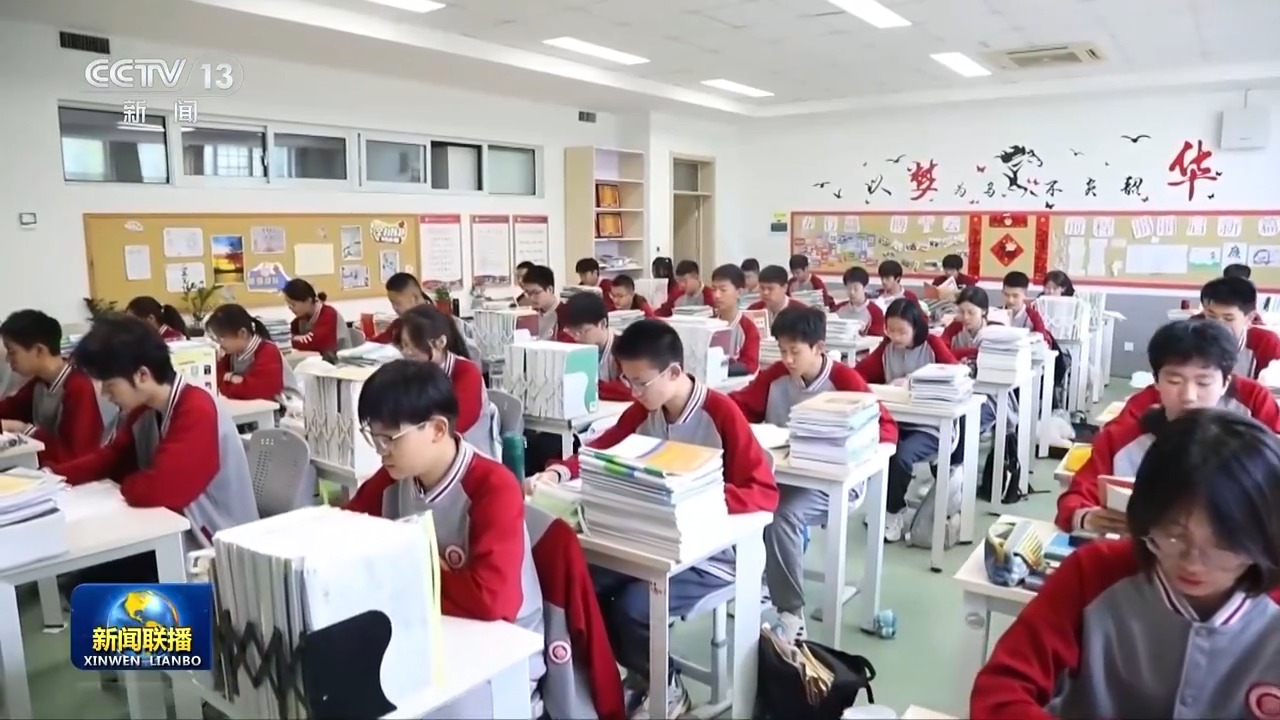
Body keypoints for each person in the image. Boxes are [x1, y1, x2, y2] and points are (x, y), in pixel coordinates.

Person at [526, 320, 778, 716]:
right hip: (649, 539)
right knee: (580, 583)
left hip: (711, 555)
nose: (633, 391)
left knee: (631, 608)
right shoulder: (645, 409)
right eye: (627, 381)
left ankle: (666, 684)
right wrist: (559, 472)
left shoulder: (721, 414)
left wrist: (692, 497)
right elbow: (600, 450)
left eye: (640, 382)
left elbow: (763, 492)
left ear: (674, 372)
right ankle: (639, 674)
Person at [972, 409, 1280, 720]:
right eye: (1174, 534)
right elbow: (1000, 691)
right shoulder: (1095, 574)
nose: (1193, 562)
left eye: (1225, 544)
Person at [341, 361, 547, 679]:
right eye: (374, 437)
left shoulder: (493, 487)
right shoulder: (394, 478)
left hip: (502, 655)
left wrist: (405, 566)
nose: (382, 451)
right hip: (428, 632)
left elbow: (491, 602)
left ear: (437, 429)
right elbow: (344, 532)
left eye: (390, 438)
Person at [728, 307, 897, 640]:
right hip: (786, 475)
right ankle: (766, 579)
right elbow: (741, 406)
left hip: (835, 484)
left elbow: (885, 427)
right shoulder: (775, 376)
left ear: (819, 348)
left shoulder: (844, 380)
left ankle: (791, 615)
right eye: (782, 350)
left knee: (782, 514)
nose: (787, 360)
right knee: (740, 498)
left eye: (795, 351)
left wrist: (856, 452)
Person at [51, 315, 258, 574]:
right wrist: (52, 477)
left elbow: (164, 489)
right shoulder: (145, 409)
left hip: (214, 547)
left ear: (142, 375)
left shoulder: (197, 409)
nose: (105, 394)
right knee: (92, 571)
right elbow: (113, 458)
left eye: (109, 384)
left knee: (100, 575)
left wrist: (127, 485)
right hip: (175, 528)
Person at [1056, 319, 1280, 534]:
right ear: (1156, 381)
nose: (1189, 396)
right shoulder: (1124, 438)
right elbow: (1074, 499)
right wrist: (1087, 517)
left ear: (1225, 384)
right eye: (1174, 381)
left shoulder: (1250, 443)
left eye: (1203, 382)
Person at [855, 299, 961, 541]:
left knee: (901, 455)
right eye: (890, 330)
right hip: (897, 422)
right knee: (875, 448)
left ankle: (893, 513)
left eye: (902, 331)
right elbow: (860, 374)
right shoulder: (887, 348)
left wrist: (915, 382)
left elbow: (955, 375)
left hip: (931, 427)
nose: (895, 337)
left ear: (916, 328)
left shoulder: (932, 345)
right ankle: (883, 505)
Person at [0, 310, 104, 465]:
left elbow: (75, 455)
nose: (8, 359)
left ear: (39, 350)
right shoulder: (39, 383)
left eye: (12, 352)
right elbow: (9, 408)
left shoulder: (78, 387)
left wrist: (21, 428)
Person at [399, 305, 494, 455]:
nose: (406, 352)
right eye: (404, 345)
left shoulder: (466, 372)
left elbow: (455, 426)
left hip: (464, 452)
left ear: (440, 343)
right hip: (428, 446)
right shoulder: (415, 371)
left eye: (414, 345)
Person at [206, 304, 294, 403]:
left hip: (284, 407)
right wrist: (232, 379)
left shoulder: (267, 351)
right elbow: (213, 378)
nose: (219, 344)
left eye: (221, 338)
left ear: (242, 333)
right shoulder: (231, 353)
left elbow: (255, 391)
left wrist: (227, 379)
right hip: (251, 406)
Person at [1198, 276, 1280, 377]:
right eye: (1212, 316)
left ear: (1250, 317)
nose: (1218, 325)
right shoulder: (1191, 336)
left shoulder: (1265, 342)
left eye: (1228, 319)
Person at [561, 293, 631, 402]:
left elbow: (629, 390)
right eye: (571, 331)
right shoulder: (570, 342)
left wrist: (589, 385)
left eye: (581, 331)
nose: (576, 337)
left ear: (602, 323)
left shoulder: (624, 348)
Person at [709, 263, 761, 377]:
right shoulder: (707, 325)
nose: (716, 295)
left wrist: (719, 369)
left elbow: (750, 365)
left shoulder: (748, 328)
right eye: (714, 289)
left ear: (739, 292)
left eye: (723, 290)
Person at [284, 279, 348, 352]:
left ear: (308, 301)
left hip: (339, 358)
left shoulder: (329, 314)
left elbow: (314, 344)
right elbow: (285, 338)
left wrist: (293, 340)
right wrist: (293, 338)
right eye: (288, 303)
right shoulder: (302, 318)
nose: (290, 307)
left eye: (293, 304)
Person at [941, 286, 998, 361]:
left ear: (984, 311)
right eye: (961, 312)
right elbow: (941, 353)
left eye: (971, 312)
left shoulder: (995, 330)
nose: (965, 317)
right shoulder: (954, 328)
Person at [369, 272, 426, 344]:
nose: (394, 307)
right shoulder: (399, 323)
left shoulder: (433, 324)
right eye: (392, 302)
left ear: (414, 298)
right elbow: (378, 341)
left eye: (398, 303)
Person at [520, 265, 570, 340]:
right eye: (528, 293)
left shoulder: (566, 314)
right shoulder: (531, 315)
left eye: (536, 293)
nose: (531, 298)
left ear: (550, 290)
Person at [1001, 271, 1053, 344]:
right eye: (1006, 295)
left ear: (1025, 294)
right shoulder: (995, 313)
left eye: (1015, 296)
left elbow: (1045, 342)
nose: (1010, 300)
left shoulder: (1033, 316)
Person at [834, 266, 885, 336]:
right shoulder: (837, 308)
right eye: (849, 288)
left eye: (856, 289)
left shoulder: (876, 312)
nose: (852, 292)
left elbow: (877, 337)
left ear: (865, 287)